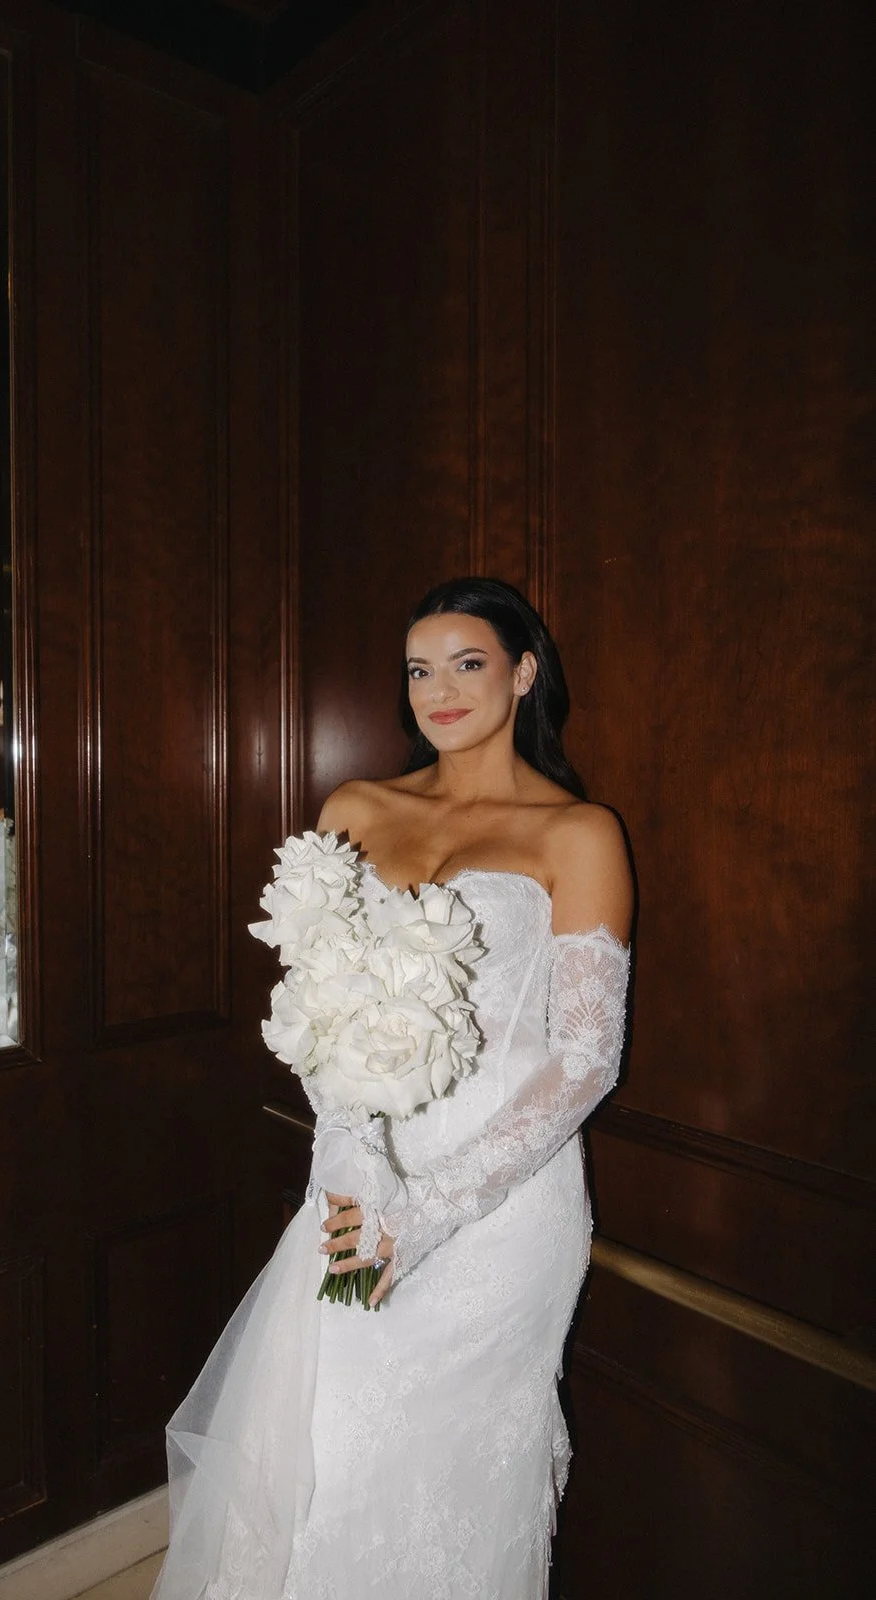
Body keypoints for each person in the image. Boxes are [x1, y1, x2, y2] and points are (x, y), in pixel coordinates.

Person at [152, 576, 633, 1600]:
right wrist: (360, 1175)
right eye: (419, 669)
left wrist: (423, 1214)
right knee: (335, 1449)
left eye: (467, 662)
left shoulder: (578, 834)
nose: (438, 689)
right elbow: (320, 1009)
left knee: (455, 1476)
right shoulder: (356, 807)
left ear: (523, 672)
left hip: (500, 1209)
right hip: (356, 1181)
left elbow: (585, 1059)